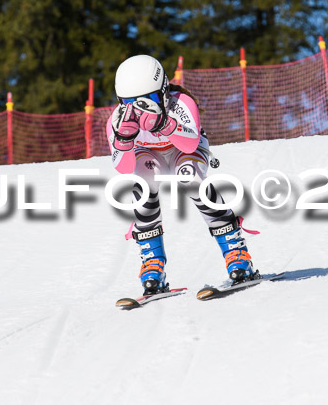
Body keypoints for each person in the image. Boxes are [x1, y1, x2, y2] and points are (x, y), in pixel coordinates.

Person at [107, 54, 259, 295]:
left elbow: (189, 144)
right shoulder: (117, 120)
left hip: (184, 148)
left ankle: (236, 254)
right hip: (149, 155)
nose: (140, 109)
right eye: (130, 103)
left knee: (190, 179)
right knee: (142, 185)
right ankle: (153, 265)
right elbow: (123, 168)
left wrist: (163, 124)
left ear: (164, 89)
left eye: (150, 99)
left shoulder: (181, 102)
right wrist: (124, 139)